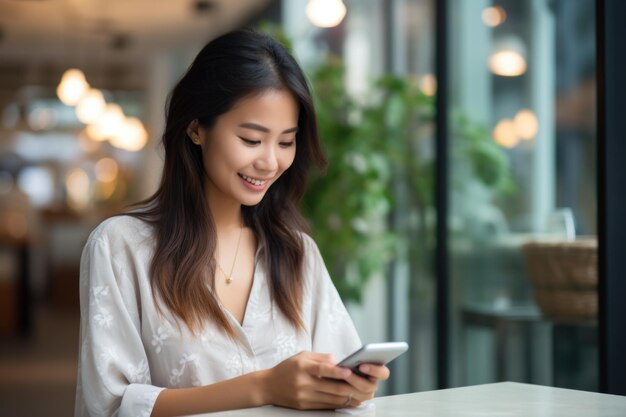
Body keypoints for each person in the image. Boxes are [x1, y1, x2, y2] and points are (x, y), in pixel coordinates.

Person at [75, 29, 390, 417]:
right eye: (251, 139)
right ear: (196, 129)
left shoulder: (297, 252)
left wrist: (348, 390)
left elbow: (343, 390)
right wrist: (264, 386)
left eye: (286, 142)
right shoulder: (121, 246)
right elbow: (110, 406)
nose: (270, 162)